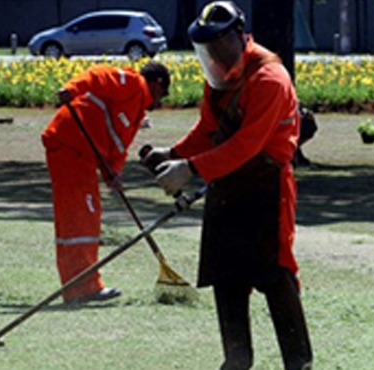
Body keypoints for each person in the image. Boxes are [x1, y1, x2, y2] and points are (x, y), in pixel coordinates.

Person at [141, 2, 313, 369]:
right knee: (227, 275)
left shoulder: (269, 79)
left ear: (240, 36)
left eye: (221, 45)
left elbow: (246, 144)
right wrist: (171, 152)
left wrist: (189, 168)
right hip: (226, 183)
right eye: (208, 48)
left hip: (267, 186)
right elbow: (209, 130)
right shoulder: (219, 78)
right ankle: (236, 359)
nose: (215, 56)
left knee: (275, 273)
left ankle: (299, 362)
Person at [41, 62, 170, 305]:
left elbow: (118, 147)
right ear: (157, 84)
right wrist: (72, 87)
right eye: (162, 95)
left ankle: (84, 285)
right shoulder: (133, 83)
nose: (159, 102)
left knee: (88, 216)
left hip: (83, 156)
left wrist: (114, 174)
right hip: (70, 146)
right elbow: (98, 74)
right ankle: (79, 288)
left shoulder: (136, 113)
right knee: (78, 218)